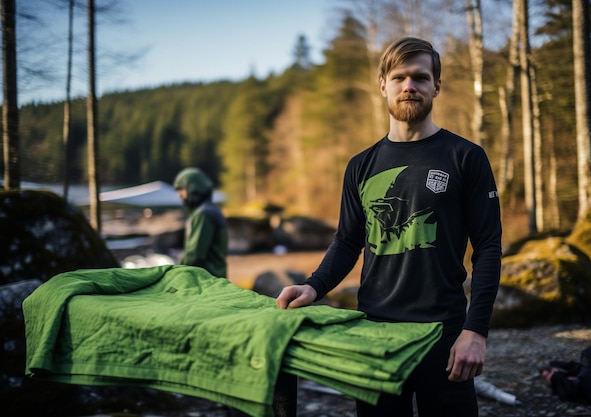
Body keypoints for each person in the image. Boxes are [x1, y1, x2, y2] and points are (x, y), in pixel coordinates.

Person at [276, 37, 502, 417]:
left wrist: (475, 331)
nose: (409, 86)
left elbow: (489, 248)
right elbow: (348, 242)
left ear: (436, 86)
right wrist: (313, 286)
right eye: (399, 77)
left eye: (420, 77)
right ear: (383, 85)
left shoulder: (466, 157)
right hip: (374, 333)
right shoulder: (360, 165)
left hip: (443, 335)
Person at [173, 167, 228, 278]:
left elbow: (195, 254)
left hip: (207, 279)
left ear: (192, 188)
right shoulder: (212, 210)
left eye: (181, 190)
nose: (179, 195)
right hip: (217, 276)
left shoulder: (203, 214)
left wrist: (174, 273)